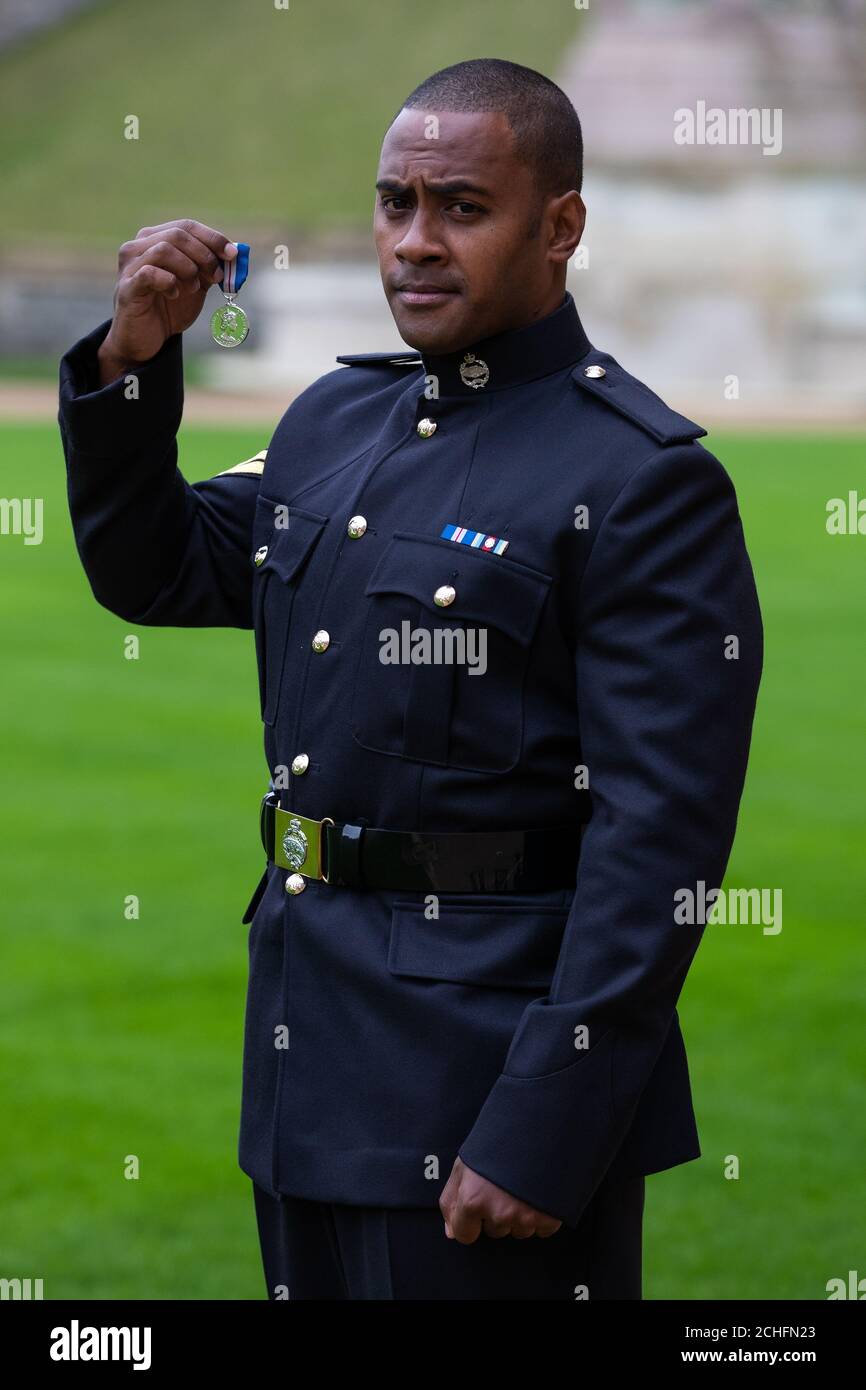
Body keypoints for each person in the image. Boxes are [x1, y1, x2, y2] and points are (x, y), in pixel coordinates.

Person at [57, 58, 762, 1300]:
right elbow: (159, 571)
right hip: (307, 1063)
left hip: (485, 1102)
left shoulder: (639, 479)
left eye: (460, 208)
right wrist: (132, 359)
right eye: (393, 204)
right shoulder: (339, 418)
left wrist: (545, 1124)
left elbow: (659, 846)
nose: (414, 243)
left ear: (560, 228)